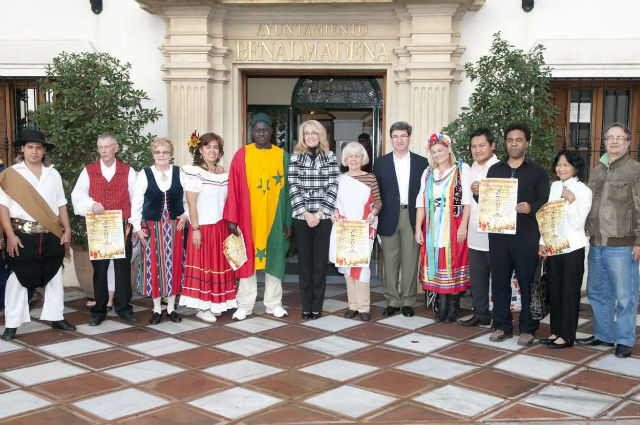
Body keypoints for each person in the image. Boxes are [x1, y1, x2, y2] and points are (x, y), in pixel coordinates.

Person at [0, 129, 75, 341]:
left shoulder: (54, 174)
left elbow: (61, 204)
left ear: (44, 151)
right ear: (22, 149)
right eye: (30, 147)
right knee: (17, 278)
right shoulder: (10, 174)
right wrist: (10, 235)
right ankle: (12, 324)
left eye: (39, 148)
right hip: (22, 235)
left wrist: (67, 229)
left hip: (51, 233)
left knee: (54, 274)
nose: (34, 151)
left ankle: (56, 316)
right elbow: (3, 208)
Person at [577, 122, 640, 358]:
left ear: (628, 142)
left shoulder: (635, 170)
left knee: (625, 296)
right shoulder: (597, 170)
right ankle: (604, 335)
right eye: (609, 137)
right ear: (604, 142)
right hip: (597, 243)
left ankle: (624, 339)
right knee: (597, 292)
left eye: (619, 137)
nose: (614, 141)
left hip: (623, 244)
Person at [223, 113, 292, 321]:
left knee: (275, 258)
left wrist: (288, 220)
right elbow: (233, 188)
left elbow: (289, 191)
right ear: (251, 132)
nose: (261, 133)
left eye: (265, 129)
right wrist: (232, 218)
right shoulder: (241, 155)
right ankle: (245, 304)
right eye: (257, 129)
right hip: (248, 218)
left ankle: (273, 303)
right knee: (247, 260)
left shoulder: (283, 156)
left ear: (271, 131)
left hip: (275, 218)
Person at [487, 123, 549, 345]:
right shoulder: (495, 170)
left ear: (527, 143)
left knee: (526, 283)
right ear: (505, 143)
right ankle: (502, 325)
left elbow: (545, 202)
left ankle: (528, 328)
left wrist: (530, 208)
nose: (514, 144)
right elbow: (487, 202)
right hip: (499, 236)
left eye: (519, 140)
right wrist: (478, 194)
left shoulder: (538, 172)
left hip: (526, 236)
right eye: (510, 140)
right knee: (500, 282)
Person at [71, 132, 139, 326]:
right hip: (99, 226)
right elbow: (77, 195)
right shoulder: (89, 171)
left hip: (123, 225)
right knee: (99, 269)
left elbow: (137, 200)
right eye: (100, 147)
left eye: (107, 147)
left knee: (122, 268)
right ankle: (99, 310)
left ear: (116, 148)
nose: (103, 151)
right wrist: (91, 204)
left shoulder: (128, 171)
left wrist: (135, 225)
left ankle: (124, 308)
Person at [180, 132, 237, 322]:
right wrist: (195, 229)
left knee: (217, 265)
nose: (212, 151)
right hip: (203, 226)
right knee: (204, 265)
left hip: (220, 226)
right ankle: (203, 307)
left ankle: (215, 302)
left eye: (216, 147)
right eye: (208, 147)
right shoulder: (194, 172)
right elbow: (191, 202)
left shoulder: (222, 171)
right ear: (200, 149)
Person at [373, 121, 428, 317]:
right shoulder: (380, 163)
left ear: (409, 138)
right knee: (390, 260)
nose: (399, 140)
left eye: (403, 136)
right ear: (391, 139)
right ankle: (392, 300)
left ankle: (407, 301)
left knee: (410, 260)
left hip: (413, 216)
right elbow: (375, 192)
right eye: (395, 136)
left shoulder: (422, 162)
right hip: (388, 216)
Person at [130, 137, 187, 324]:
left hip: (174, 225)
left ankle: (171, 308)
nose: (161, 155)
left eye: (165, 152)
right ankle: (156, 309)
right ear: (153, 154)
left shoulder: (180, 172)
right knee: (154, 264)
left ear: (171, 154)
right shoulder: (145, 173)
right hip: (152, 226)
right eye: (157, 152)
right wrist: (137, 228)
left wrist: (186, 215)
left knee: (174, 263)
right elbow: (136, 203)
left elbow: (189, 199)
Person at [538, 150, 591, 349]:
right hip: (554, 247)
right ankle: (555, 331)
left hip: (573, 248)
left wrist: (571, 200)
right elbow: (548, 216)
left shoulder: (583, 191)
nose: (561, 168)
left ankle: (567, 336)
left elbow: (578, 224)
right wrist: (542, 242)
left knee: (569, 292)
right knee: (555, 292)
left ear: (575, 168)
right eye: (559, 164)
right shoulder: (554, 186)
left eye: (566, 165)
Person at [415, 133, 471, 322]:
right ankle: (442, 307)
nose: (437, 154)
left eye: (440, 150)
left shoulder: (461, 170)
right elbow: (421, 202)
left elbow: (467, 201)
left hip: (453, 224)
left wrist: (463, 226)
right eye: (434, 151)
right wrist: (417, 228)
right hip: (432, 225)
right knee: (437, 263)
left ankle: (453, 307)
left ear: (448, 150)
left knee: (452, 262)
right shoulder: (428, 173)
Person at [289, 120, 339, 319]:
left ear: (320, 136)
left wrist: (318, 214)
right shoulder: (295, 157)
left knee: (319, 264)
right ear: (302, 136)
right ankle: (306, 305)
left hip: (323, 217)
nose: (310, 136)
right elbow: (293, 185)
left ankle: (316, 306)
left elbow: (334, 185)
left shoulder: (330, 156)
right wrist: (306, 213)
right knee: (305, 265)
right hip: (301, 217)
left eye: (314, 133)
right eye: (306, 133)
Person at [330, 142, 381, 321]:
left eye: (357, 156)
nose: (353, 159)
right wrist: (334, 213)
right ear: (345, 159)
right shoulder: (339, 179)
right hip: (345, 228)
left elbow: (378, 203)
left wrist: (373, 213)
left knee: (362, 267)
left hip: (363, 228)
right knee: (347, 268)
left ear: (362, 158)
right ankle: (352, 306)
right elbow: (334, 204)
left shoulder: (371, 178)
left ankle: (364, 307)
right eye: (350, 156)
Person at [459, 128, 499, 327]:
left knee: (499, 277)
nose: (477, 150)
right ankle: (480, 313)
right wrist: (464, 226)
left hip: (495, 232)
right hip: (474, 229)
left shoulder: (501, 167)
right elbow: (466, 200)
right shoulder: (470, 168)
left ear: (492, 146)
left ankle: (500, 318)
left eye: (482, 145)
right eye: (474, 146)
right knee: (478, 277)